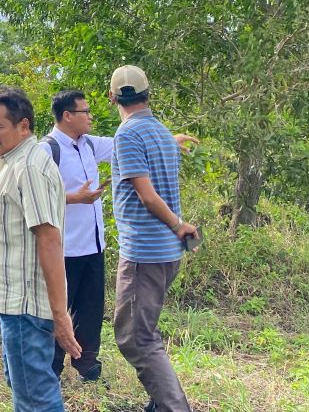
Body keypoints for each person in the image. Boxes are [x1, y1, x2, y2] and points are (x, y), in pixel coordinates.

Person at [45, 90, 198, 381]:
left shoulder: (89, 144)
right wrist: (74, 198)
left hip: (93, 245)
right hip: (63, 247)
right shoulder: (47, 150)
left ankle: (87, 364)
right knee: (58, 310)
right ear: (67, 116)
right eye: (84, 112)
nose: (91, 117)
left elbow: (126, 144)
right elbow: (32, 195)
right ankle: (51, 368)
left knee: (90, 309)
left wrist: (170, 140)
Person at [0, 87, 81, 412]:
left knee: (36, 398)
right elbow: (8, 239)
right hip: (13, 303)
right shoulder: (12, 162)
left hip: (27, 308)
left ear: (23, 126)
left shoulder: (30, 167)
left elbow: (49, 241)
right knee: (23, 387)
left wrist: (60, 315)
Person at [108, 65, 198, 412]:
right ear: (148, 94)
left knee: (135, 337)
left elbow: (146, 195)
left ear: (112, 96)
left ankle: (174, 407)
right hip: (164, 252)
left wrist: (178, 224)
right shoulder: (159, 131)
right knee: (144, 330)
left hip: (144, 253)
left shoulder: (128, 135)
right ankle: (160, 404)